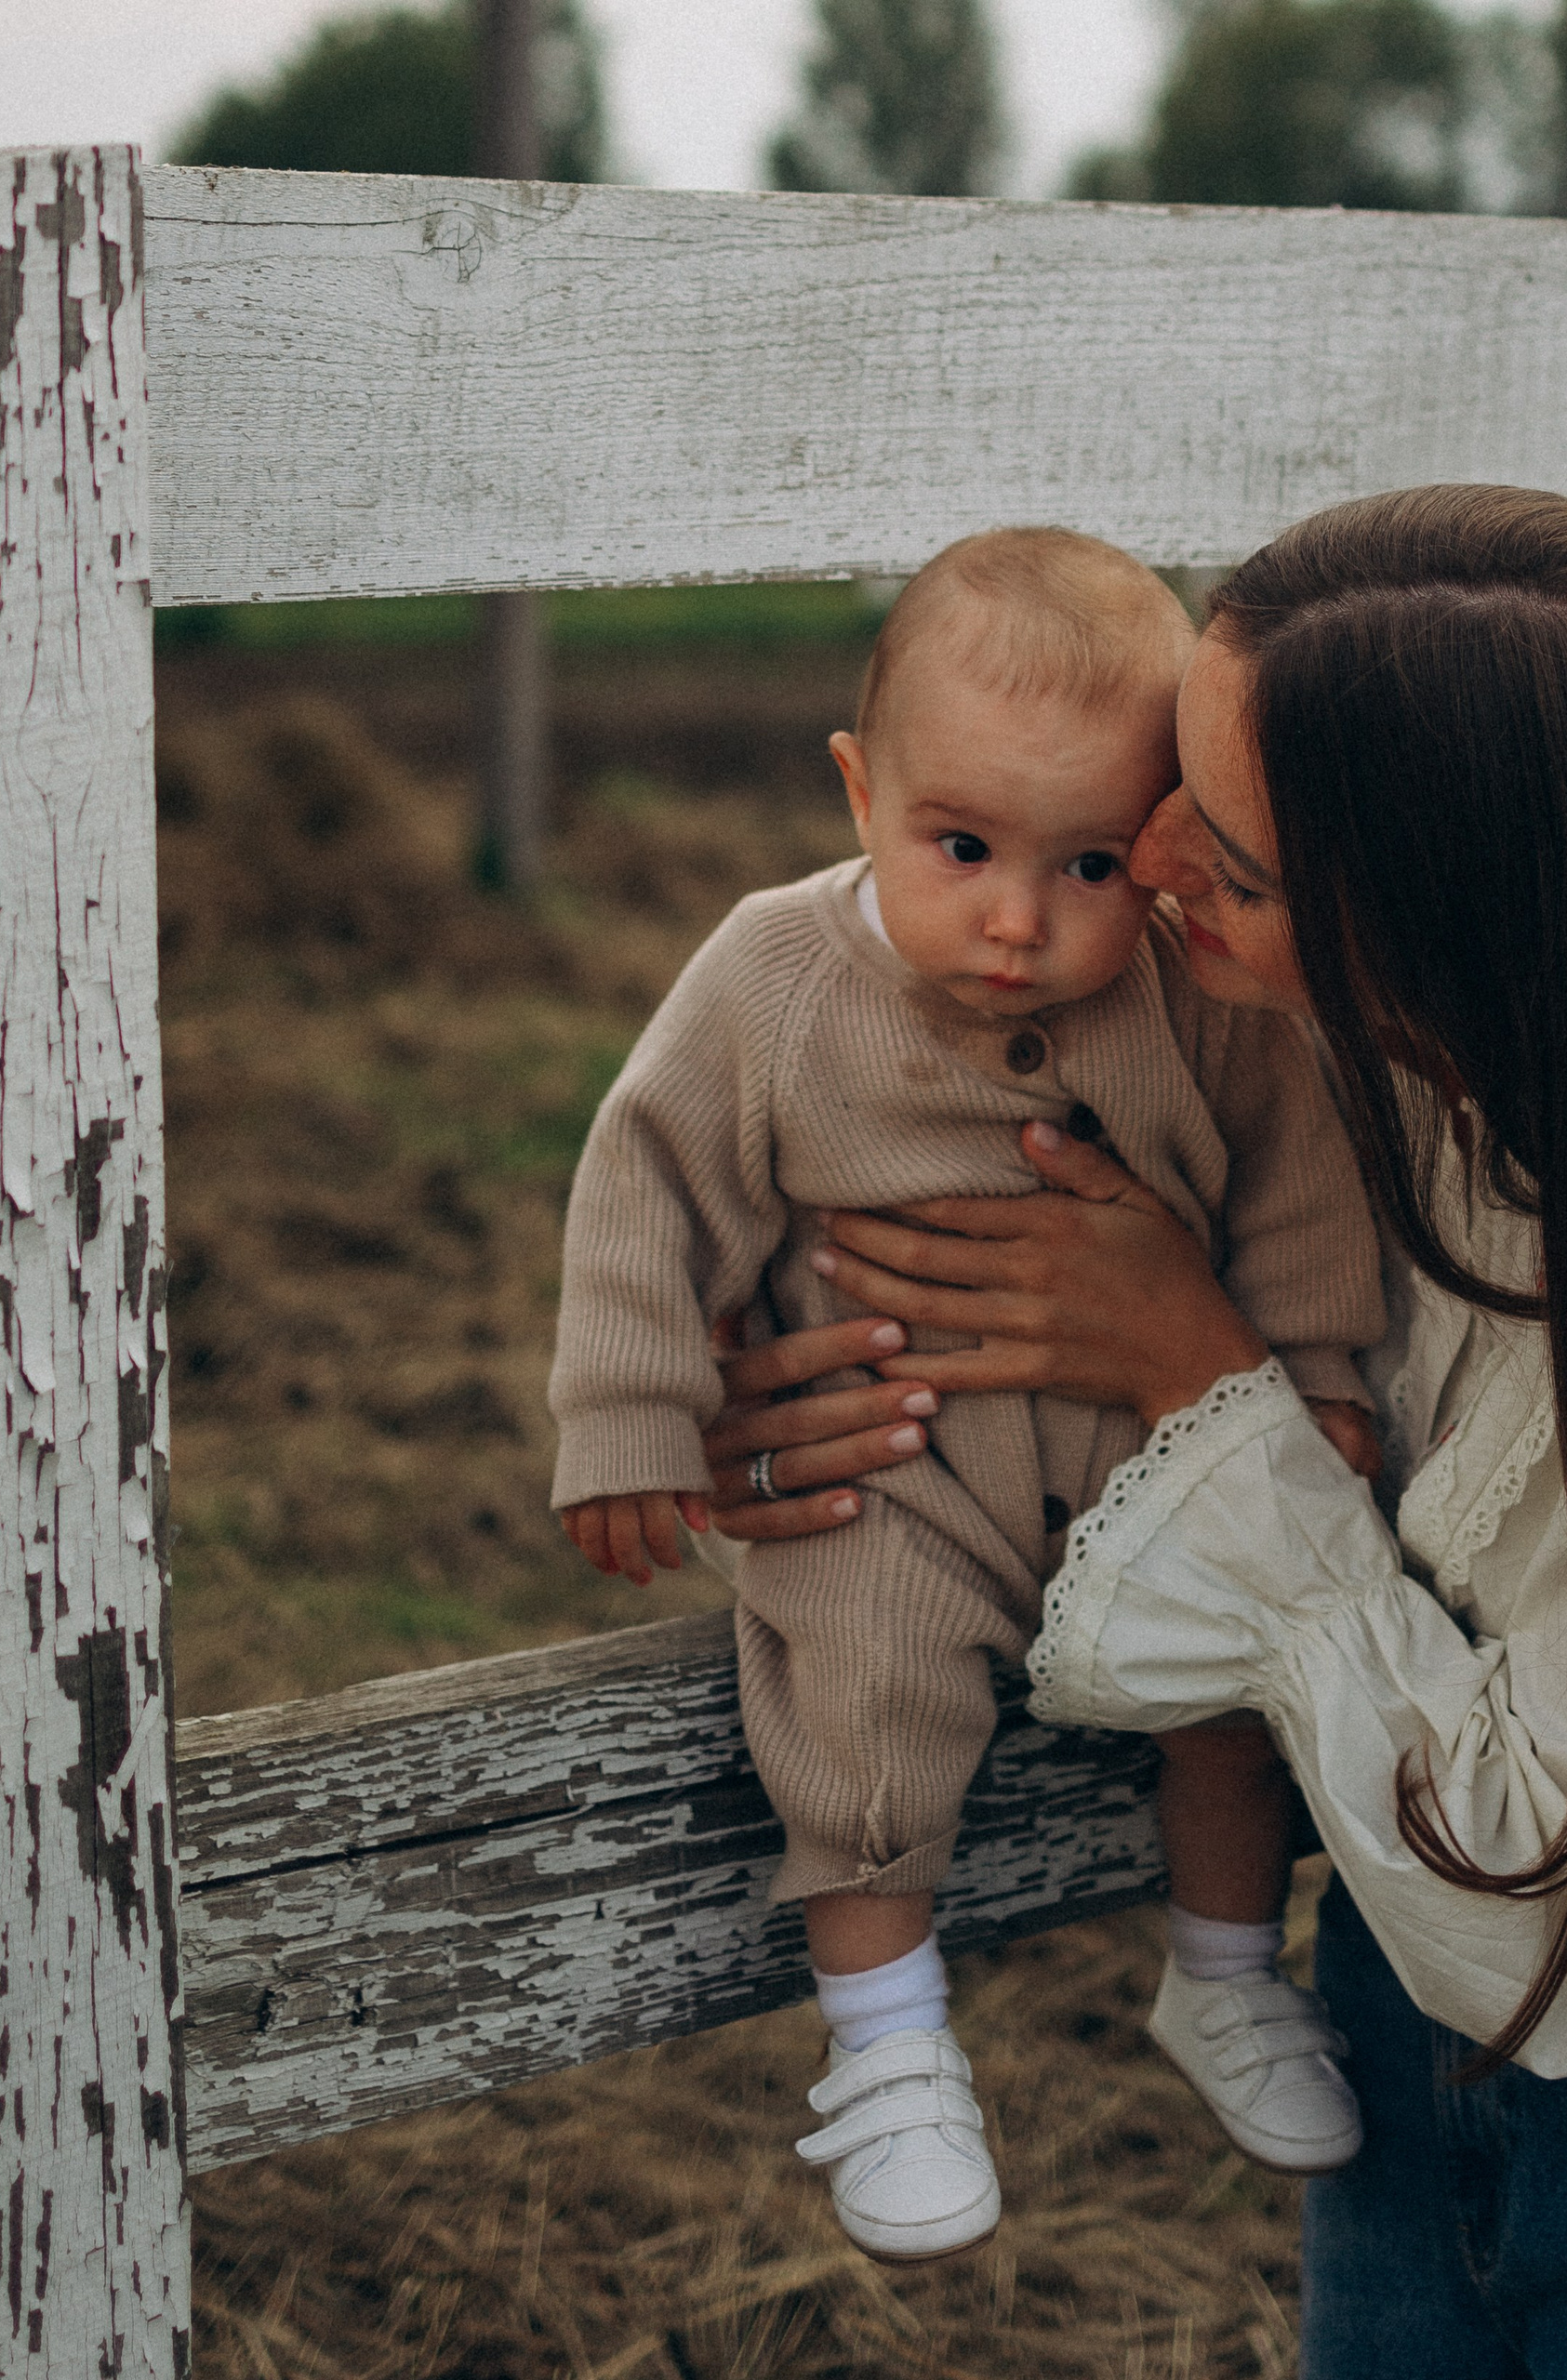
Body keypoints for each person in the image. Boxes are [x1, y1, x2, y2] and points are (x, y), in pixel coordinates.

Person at [695, 487, 1567, 2374]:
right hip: (1389, 2046)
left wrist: (1205, 1387)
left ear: (1446, 925)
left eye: (1238, 859)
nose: (1156, 848)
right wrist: (809, 1395)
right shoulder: (1364, 1093)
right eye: (1178, 769)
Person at [549, 527, 1386, 2267]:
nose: (1019, 920)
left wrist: (1316, 1386)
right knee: (854, 1682)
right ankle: (888, 2039)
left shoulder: (1199, 999)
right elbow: (651, 1182)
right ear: (861, 792)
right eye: (961, 847)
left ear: (1156, 835)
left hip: (1160, 1458)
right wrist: (632, 1417)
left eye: (1089, 861)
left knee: (1239, 1678)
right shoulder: (772, 980)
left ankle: (1229, 1968)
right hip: (896, 1468)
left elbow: (1300, 1187)